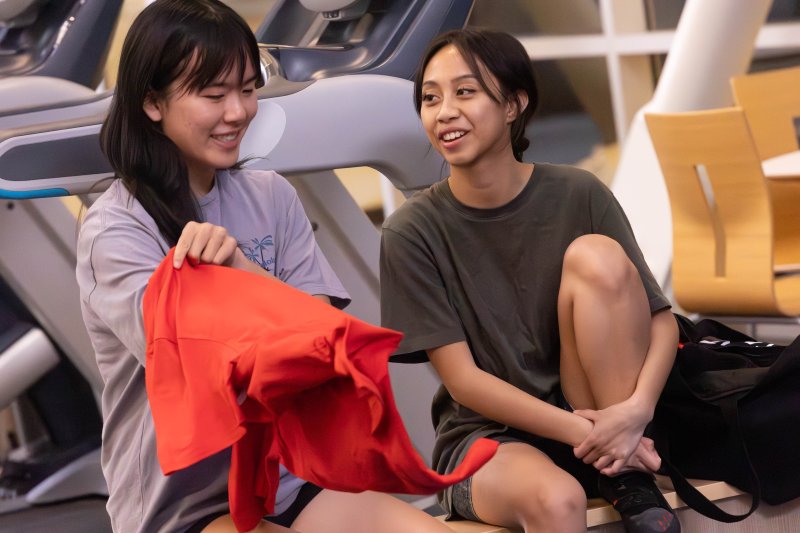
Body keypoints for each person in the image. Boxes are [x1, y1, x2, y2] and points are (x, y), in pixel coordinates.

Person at [75, 1, 456, 532]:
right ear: (152, 103)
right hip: (185, 507)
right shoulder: (116, 231)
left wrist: (237, 269)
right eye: (213, 95)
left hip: (289, 480)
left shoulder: (272, 195)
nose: (238, 112)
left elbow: (321, 345)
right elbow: (196, 376)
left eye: (248, 90)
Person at [380, 29, 681, 533]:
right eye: (430, 98)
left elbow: (662, 323)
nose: (444, 111)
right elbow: (463, 382)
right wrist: (596, 436)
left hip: (602, 413)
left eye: (465, 91)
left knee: (598, 256)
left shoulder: (579, 192)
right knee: (558, 501)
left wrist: (632, 414)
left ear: (514, 104)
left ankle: (626, 477)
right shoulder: (411, 231)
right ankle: (620, 468)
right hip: (490, 439)